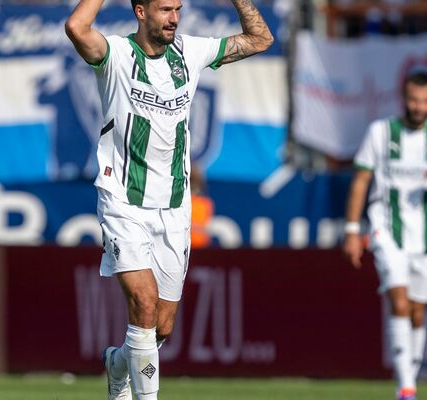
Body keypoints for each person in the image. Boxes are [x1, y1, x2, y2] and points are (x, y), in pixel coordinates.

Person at [65, 1, 272, 399]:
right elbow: (76, 26)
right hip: (123, 199)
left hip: (176, 205)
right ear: (140, 11)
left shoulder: (190, 53)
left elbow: (261, 39)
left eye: (177, 8)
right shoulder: (115, 55)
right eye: (164, 9)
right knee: (142, 303)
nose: (174, 17)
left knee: (160, 327)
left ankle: (118, 362)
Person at [342, 69, 427, 400]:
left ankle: (408, 378)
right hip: (386, 226)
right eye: (414, 100)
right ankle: (406, 388)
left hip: (426, 234)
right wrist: (353, 230)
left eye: (425, 101)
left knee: (416, 310)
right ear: (404, 98)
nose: (419, 107)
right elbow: (360, 181)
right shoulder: (380, 133)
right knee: (398, 301)